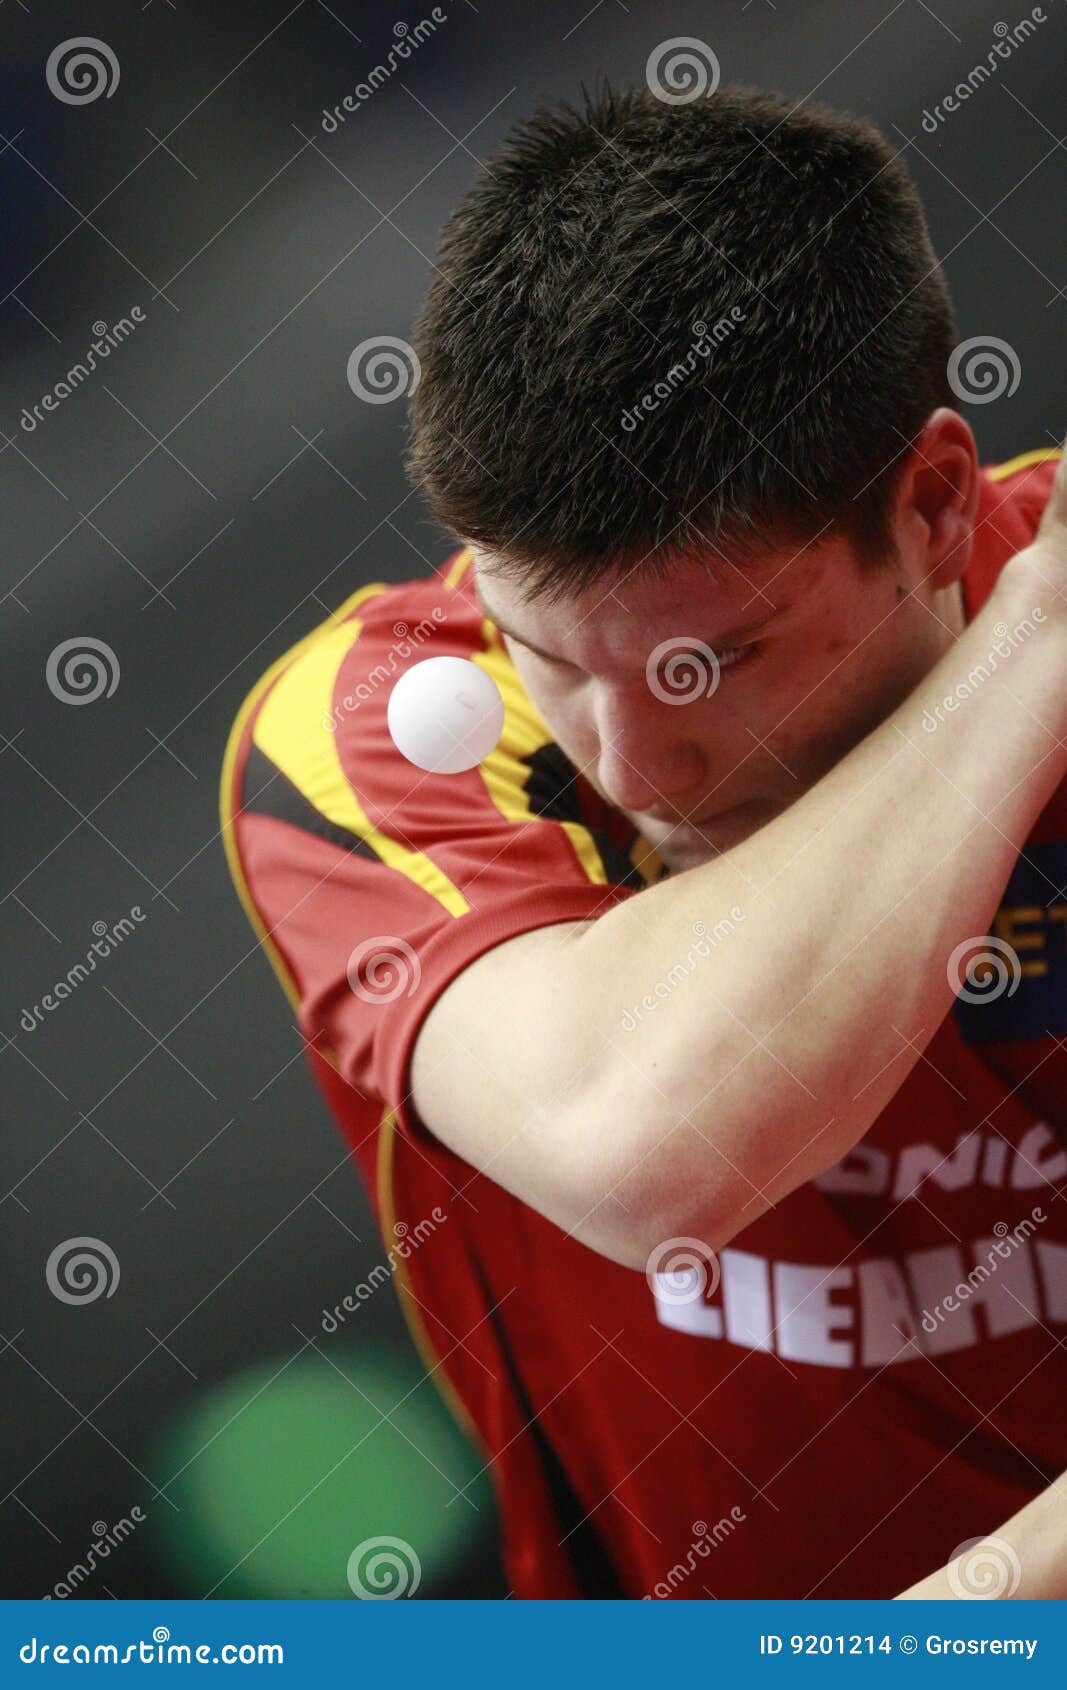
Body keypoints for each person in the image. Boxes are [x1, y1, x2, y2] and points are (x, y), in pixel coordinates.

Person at [220, 82, 1067, 1599]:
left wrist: (1004, 1596)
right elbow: (647, 1141)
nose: (628, 763)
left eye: (720, 658)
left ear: (935, 501)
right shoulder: (355, 733)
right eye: (549, 652)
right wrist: (1038, 645)